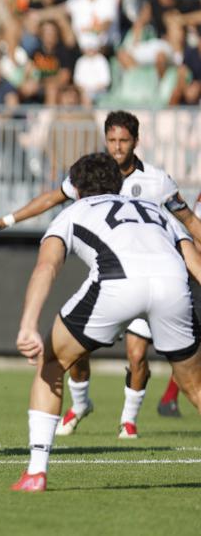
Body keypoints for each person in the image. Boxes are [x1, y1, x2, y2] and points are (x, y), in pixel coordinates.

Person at [0, 111, 201, 434]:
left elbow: (190, 222)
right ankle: (81, 403)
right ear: (105, 141)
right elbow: (53, 197)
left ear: (136, 141)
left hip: (142, 278)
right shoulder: (92, 174)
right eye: (112, 141)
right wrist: (8, 220)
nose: (118, 147)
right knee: (79, 352)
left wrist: (28, 324)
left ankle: (126, 422)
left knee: (131, 356)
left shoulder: (156, 183)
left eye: (124, 141)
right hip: (121, 276)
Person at [12, 153, 201, 492]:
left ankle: (36, 472)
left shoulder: (72, 213)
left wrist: (28, 324)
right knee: (195, 387)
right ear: (118, 183)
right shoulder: (156, 211)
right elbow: (195, 263)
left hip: (118, 284)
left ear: (78, 189)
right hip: (173, 283)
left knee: (52, 362)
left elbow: (47, 268)